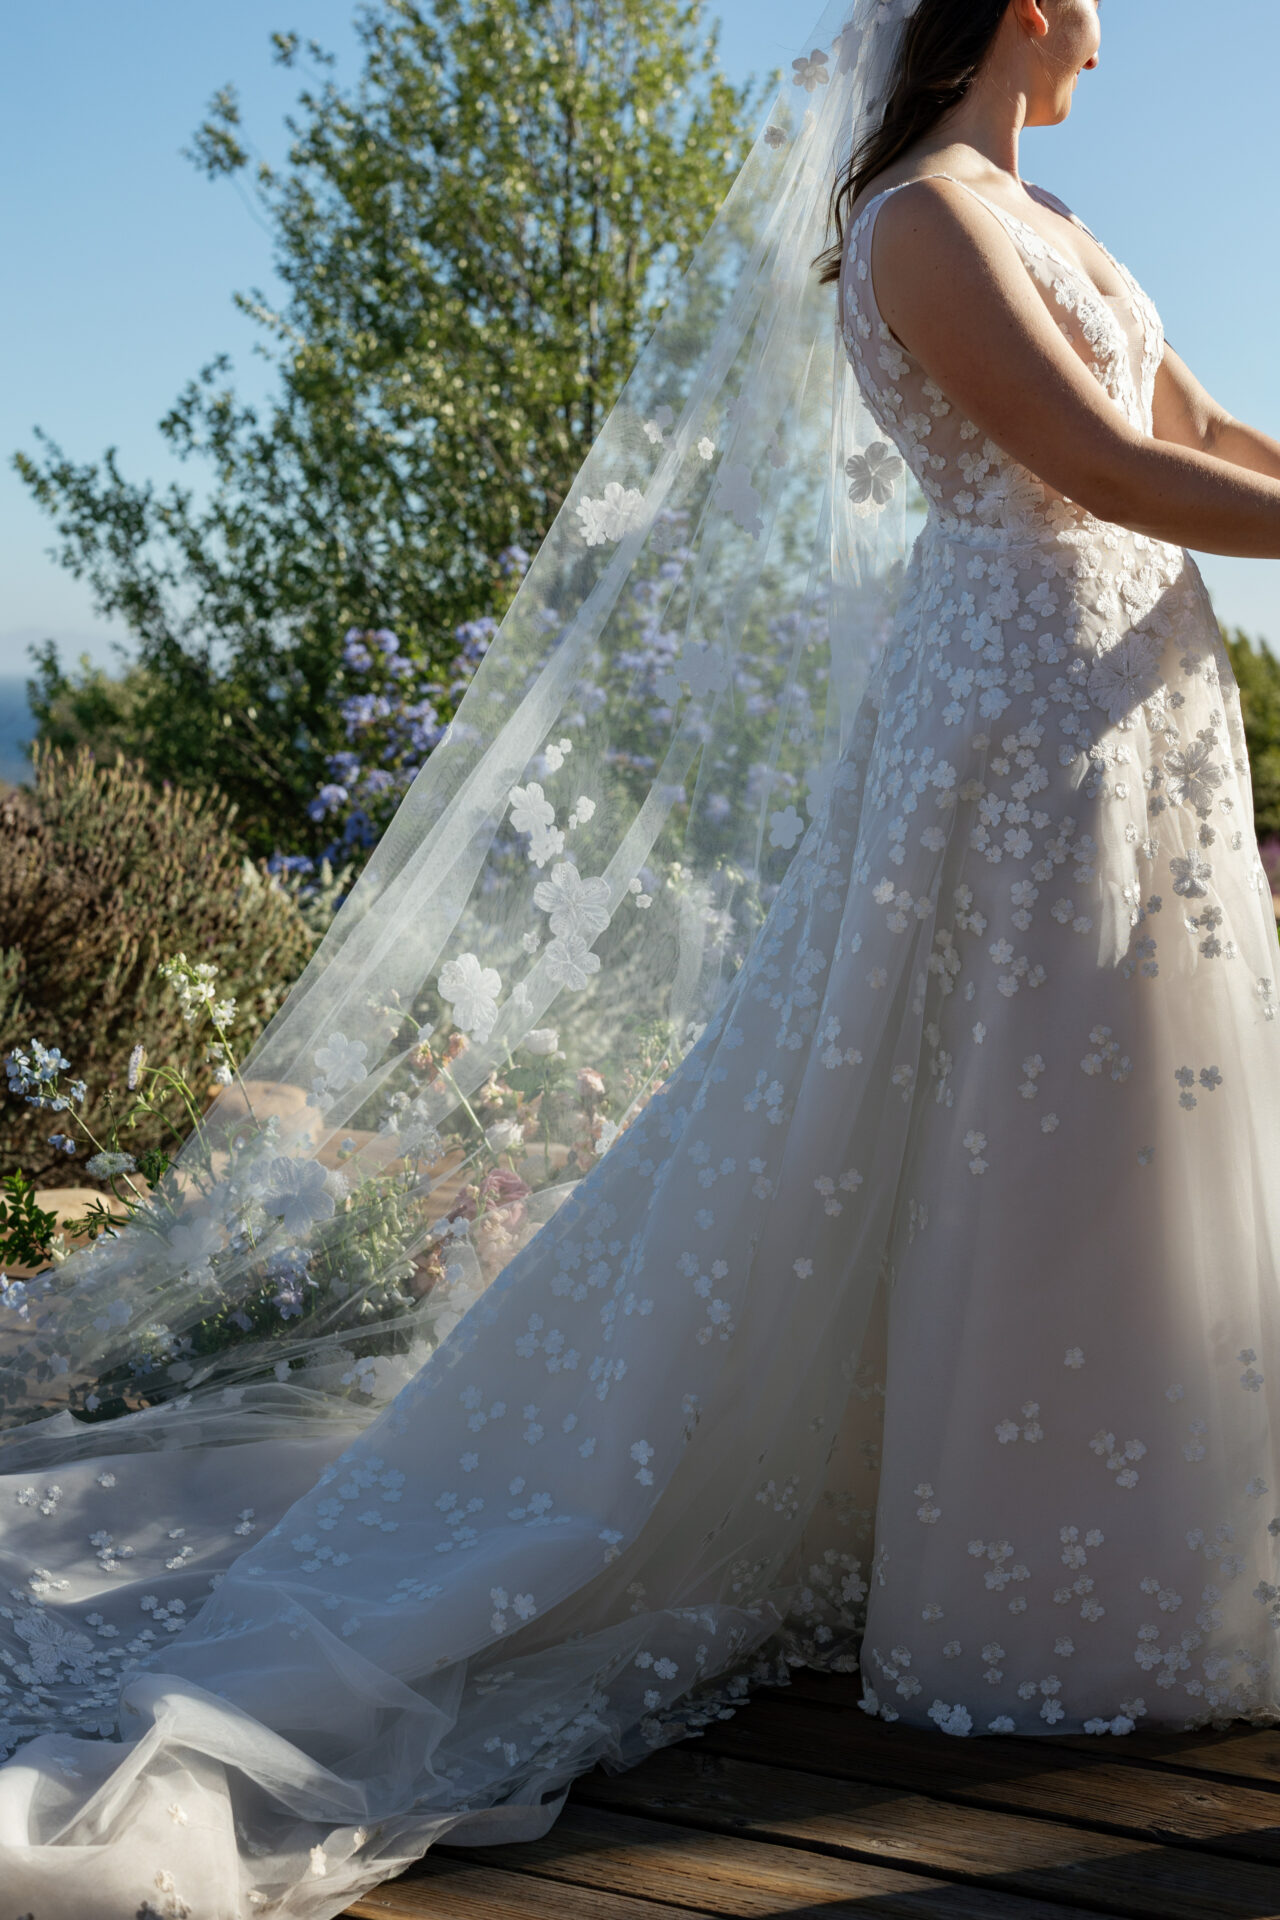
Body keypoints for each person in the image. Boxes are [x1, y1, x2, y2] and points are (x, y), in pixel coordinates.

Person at [3, 0, 1280, 1913]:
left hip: (1123, 710)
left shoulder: (1061, 221)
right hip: (1019, 721)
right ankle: (1040, 1591)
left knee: (1128, 1117)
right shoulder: (921, 218)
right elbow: (1095, 462)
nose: (1114, 21)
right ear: (1023, 2)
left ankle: (1158, 1540)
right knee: (1035, 1114)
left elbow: (1196, 428)